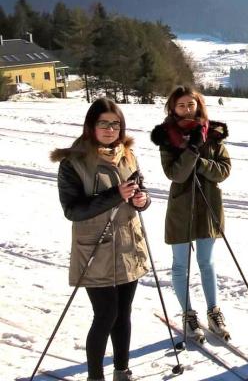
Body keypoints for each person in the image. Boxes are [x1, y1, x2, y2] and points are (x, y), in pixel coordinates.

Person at [51, 98, 150, 381]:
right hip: (95, 249)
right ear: (90, 126)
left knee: (124, 313)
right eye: (103, 123)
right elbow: (73, 210)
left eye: (115, 124)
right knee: (106, 315)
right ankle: (95, 377)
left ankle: (122, 372)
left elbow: (138, 194)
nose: (110, 129)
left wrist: (142, 200)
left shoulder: (127, 155)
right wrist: (115, 195)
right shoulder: (73, 163)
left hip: (129, 244)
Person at [150, 86, 232, 342]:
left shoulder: (214, 133)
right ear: (173, 109)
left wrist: (201, 160)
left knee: (206, 262)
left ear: (199, 105)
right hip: (181, 207)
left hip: (208, 205)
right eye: (182, 105)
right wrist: (192, 151)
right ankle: (188, 313)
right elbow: (175, 174)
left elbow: (224, 170)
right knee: (181, 265)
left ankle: (213, 311)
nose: (187, 109)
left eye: (191, 104)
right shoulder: (166, 136)